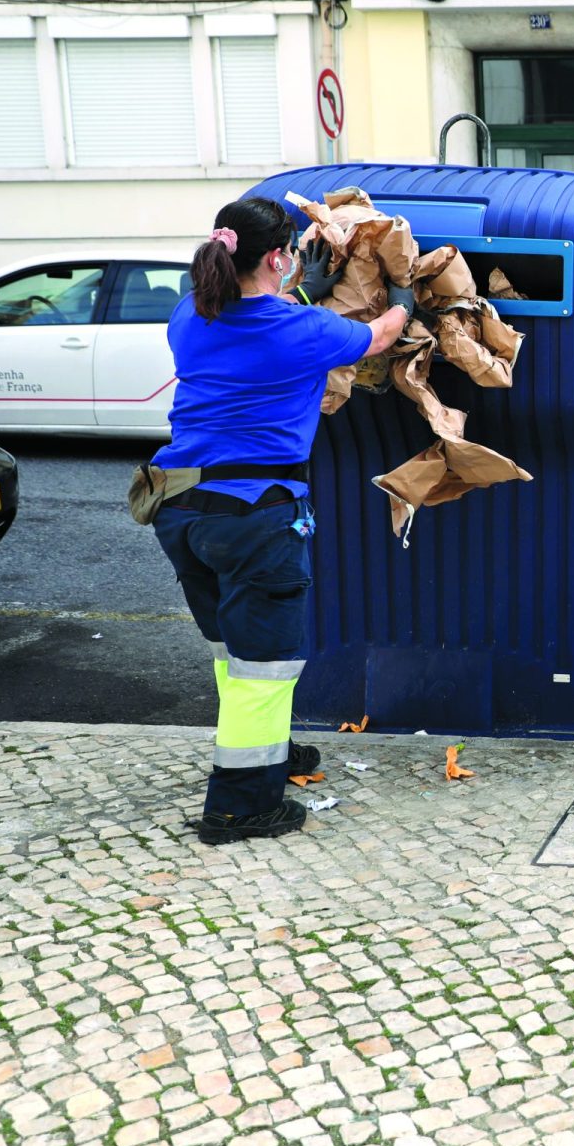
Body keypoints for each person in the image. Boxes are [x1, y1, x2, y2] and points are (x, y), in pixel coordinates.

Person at [152, 197, 413, 844]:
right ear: (276, 257)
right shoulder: (303, 332)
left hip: (180, 508)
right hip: (255, 518)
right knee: (265, 662)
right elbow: (380, 335)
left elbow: (256, 314)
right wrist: (406, 291)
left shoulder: (190, 315)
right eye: (291, 252)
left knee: (233, 650)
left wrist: (298, 288)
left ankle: (268, 749)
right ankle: (241, 806)